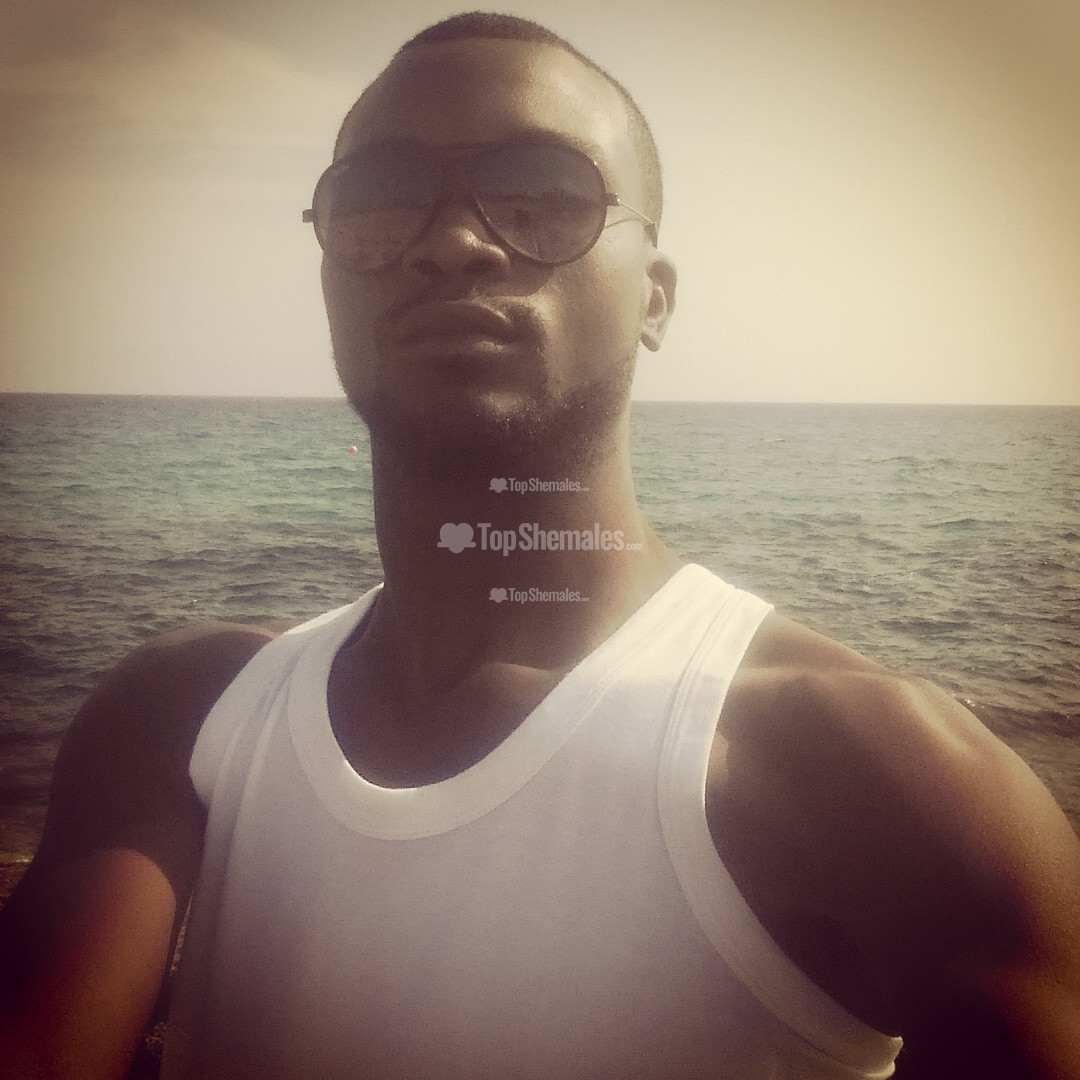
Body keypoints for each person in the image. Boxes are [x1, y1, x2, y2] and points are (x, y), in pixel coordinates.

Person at [1, 12, 1078, 1080]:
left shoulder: (876, 780)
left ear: (655, 298)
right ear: (328, 273)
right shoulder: (178, 719)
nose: (451, 240)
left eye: (542, 195)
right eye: (377, 199)